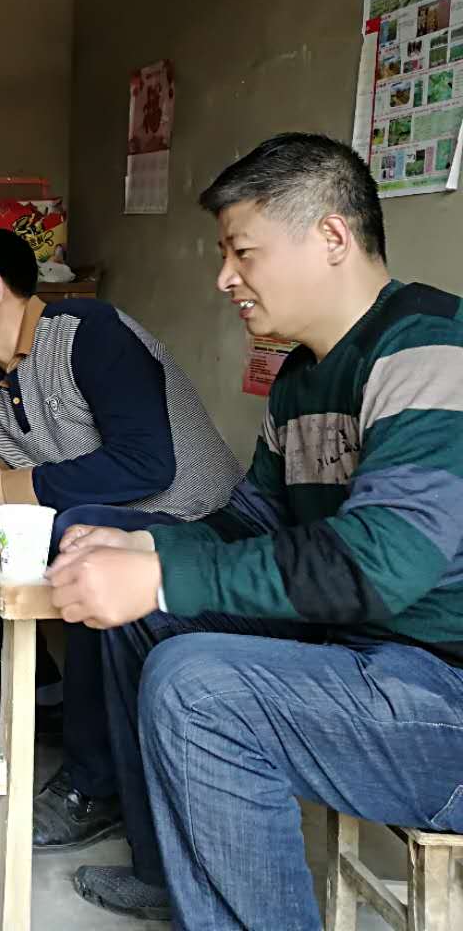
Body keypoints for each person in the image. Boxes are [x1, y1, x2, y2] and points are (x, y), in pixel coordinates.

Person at [53, 133, 463, 927]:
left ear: (332, 236)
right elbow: (254, 522)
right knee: (138, 603)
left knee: (199, 687)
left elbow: (383, 563)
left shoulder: (429, 350)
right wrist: (146, 547)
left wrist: (164, 573)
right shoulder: (302, 376)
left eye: (243, 252)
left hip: (442, 692)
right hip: (363, 650)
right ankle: (170, 872)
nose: (224, 278)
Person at [0, 223, 241, 851]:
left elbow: (147, 464)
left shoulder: (90, 333)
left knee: (79, 536)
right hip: (101, 521)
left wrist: (4, 485)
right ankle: (46, 702)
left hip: (193, 519)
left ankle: (94, 784)